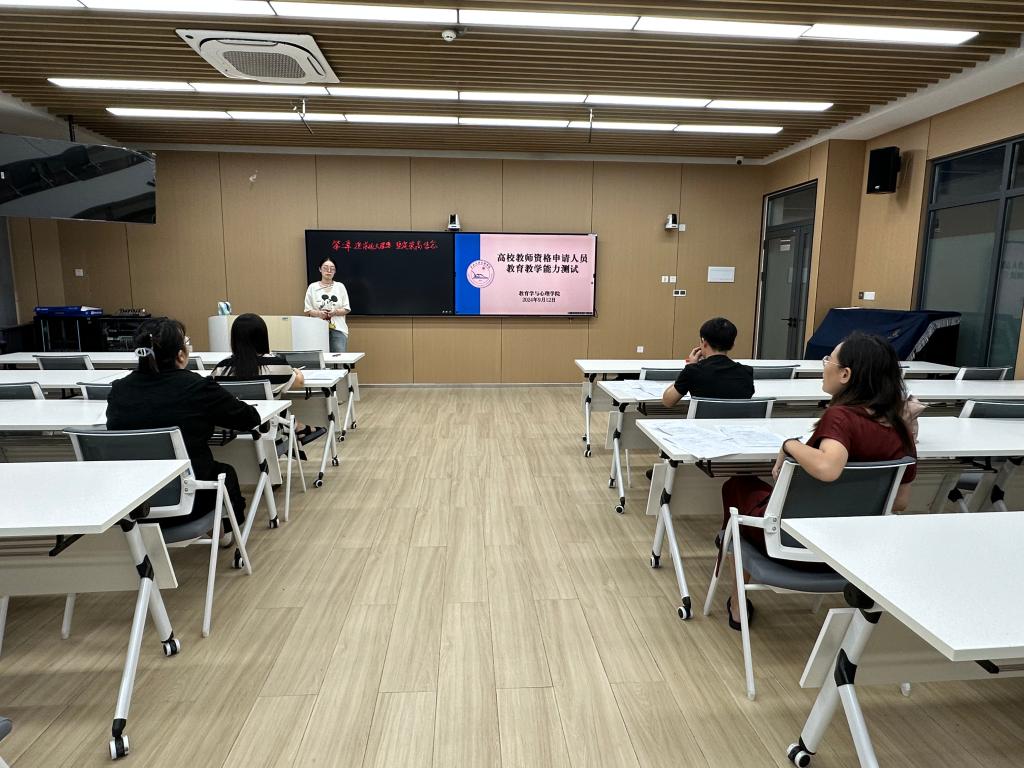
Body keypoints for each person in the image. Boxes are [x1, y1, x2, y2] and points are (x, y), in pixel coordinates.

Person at [718, 331, 918, 630]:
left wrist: (789, 445)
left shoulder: (841, 418)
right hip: (852, 549)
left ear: (845, 374)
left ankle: (737, 604)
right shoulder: (901, 429)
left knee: (737, 487)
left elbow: (828, 467)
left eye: (828, 360)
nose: (823, 366)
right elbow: (900, 502)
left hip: (797, 544)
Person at [106, 318, 261, 535]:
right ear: (180, 354)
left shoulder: (119, 390)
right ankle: (226, 531)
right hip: (190, 503)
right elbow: (249, 419)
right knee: (225, 473)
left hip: (130, 505)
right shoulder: (197, 387)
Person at [661, 316, 754, 408]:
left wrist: (690, 366)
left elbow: (667, 401)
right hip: (734, 419)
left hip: (702, 419)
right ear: (732, 345)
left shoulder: (693, 371)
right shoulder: (746, 372)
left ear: (704, 342)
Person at [209, 313, 303, 397]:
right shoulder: (279, 365)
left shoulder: (221, 368)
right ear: (263, 337)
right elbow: (299, 382)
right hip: (267, 412)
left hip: (234, 412)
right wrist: (296, 371)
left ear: (234, 339)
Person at [304, 256, 351, 354]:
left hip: (338, 329)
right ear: (320, 269)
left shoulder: (340, 286)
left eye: (332, 268)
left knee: (339, 359)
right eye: (325, 268)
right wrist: (319, 314)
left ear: (335, 271)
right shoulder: (312, 287)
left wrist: (335, 312)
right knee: (319, 360)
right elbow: (308, 310)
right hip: (317, 329)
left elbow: (347, 309)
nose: (329, 271)